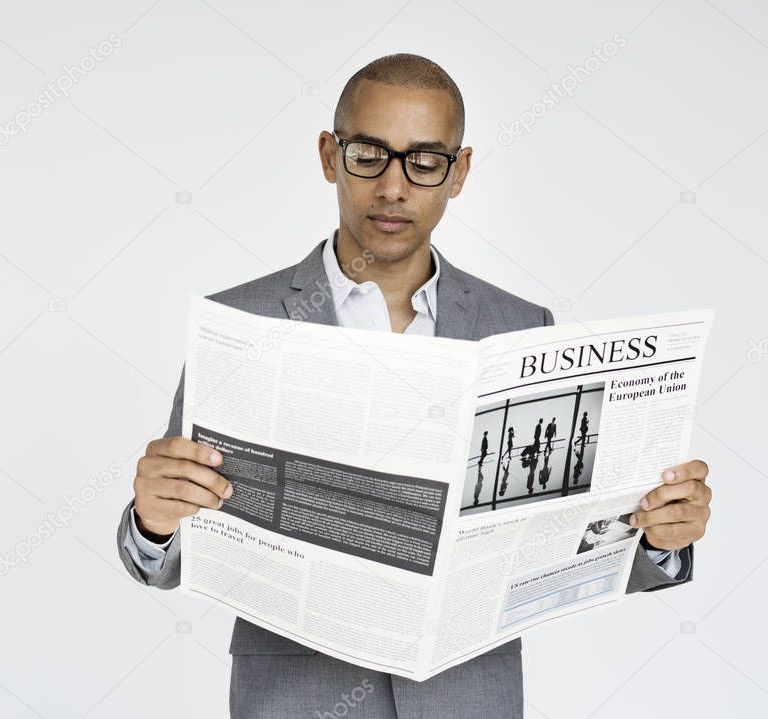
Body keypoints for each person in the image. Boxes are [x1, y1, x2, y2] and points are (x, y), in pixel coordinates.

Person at [116, 53, 713, 719]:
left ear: (457, 172)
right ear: (328, 155)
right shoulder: (241, 322)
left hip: (466, 699)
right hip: (295, 699)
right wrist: (154, 521)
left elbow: (565, 540)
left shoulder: (521, 327)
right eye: (369, 153)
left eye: (423, 161)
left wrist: (659, 538)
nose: (393, 187)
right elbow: (159, 562)